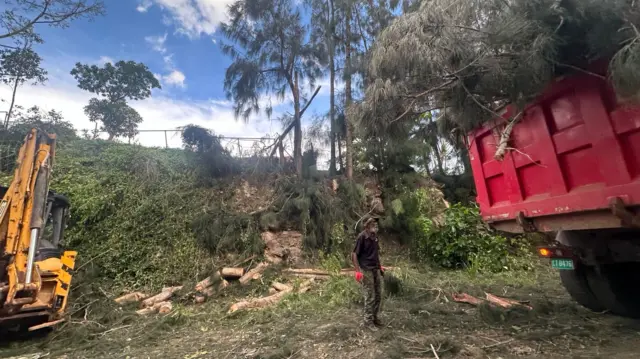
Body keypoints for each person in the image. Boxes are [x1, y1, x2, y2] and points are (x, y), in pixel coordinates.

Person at [352, 217, 385, 328]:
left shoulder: (374, 237)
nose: (374, 224)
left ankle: (375, 318)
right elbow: (354, 254)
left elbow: (375, 253)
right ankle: (368, 321)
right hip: (366, 270)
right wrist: (357, 271)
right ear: (366, 225)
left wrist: (380, 267)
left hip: (375, 268)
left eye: (375, 222)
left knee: (378, 295)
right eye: (371, 222)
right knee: (370, 296)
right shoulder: (362, 237)